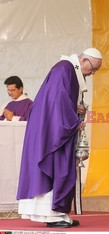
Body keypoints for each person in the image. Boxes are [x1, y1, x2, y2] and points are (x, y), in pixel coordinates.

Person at [16, 48, 103, 228]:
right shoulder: (65, 68)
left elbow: (62, 99)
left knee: (62, 168)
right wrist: (72, 120)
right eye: (93, 69)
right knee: (56, 167)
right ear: (84, 60)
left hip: (53, 126)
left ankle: (58, 215)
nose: (93, 73)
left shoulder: (70, 70)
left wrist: (76, 108)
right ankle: (52, 216)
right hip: (51, 130)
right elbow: (57, 100)